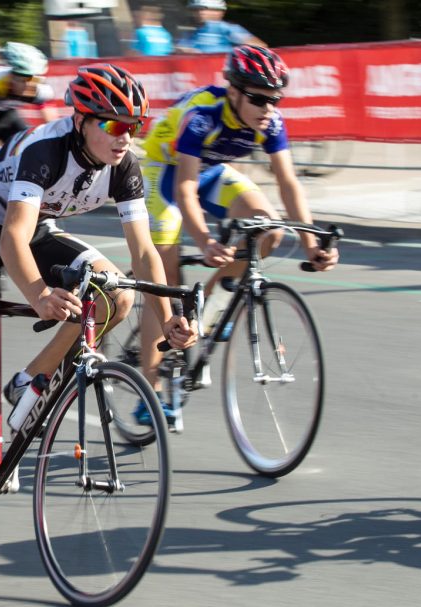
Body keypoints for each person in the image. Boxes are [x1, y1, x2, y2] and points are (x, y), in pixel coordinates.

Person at [0, 63, 197, 535]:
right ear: (81, 120)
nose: (125, 137)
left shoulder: (124, 165)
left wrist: (171, 316)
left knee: (116, 295)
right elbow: (12, 237)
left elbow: (144, 251)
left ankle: (29, 379)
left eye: (134, 127)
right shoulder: (46, 148)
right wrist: (38, 295)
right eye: (113, 125)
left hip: (39, 226)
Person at [137, 45, 339, 423]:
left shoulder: (271, 121)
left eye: (275, 99)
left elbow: (287, 181)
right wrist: (203, 240)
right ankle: (151, 388)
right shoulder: (202, 116)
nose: (268, 108)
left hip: (209, 171)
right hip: (163, 173)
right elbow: (184, 189)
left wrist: (311, 244)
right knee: (161, 281)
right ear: (233, 92)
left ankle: (208, 305)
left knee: (268, 228)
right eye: (259, 99)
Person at [0, 42, 56, 165]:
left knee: (28, 142)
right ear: (10, 77)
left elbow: (55, 129)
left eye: (33, 79)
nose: (28, 85)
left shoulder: (41, 89)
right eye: (22, 79)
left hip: (7, 114)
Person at [175, 0, 265, 55]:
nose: (200, 12)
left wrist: (232, 53)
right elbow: (179, 49)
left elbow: (259, 46)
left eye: (204, 9)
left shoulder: (228, 28)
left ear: (219, 11)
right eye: (196, 9)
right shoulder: (190, 32)